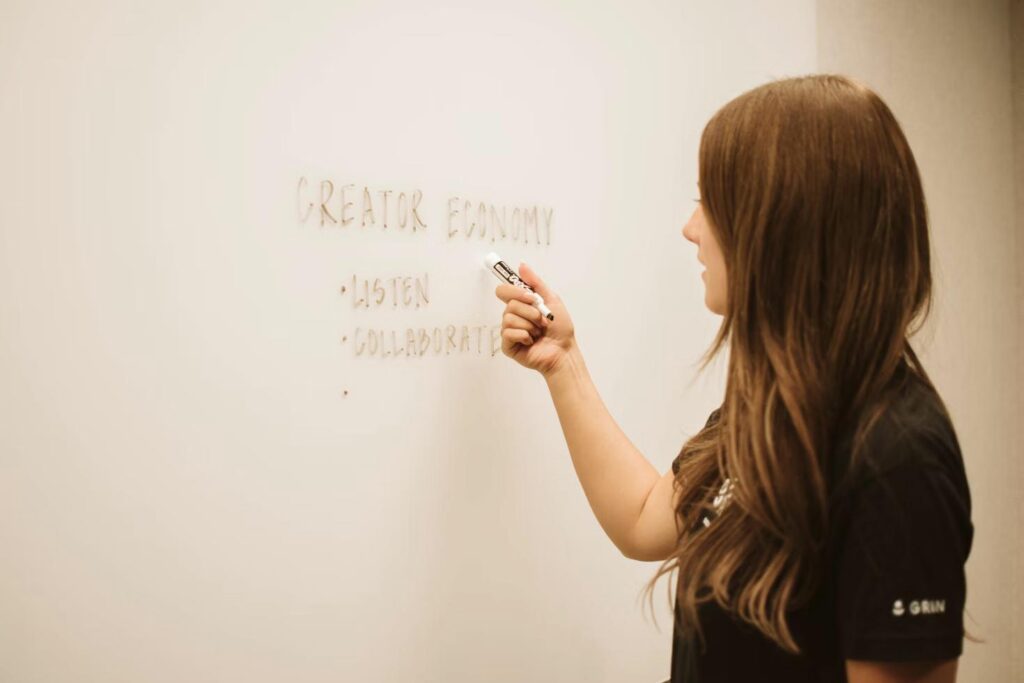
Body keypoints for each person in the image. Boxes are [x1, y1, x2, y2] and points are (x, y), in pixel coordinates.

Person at [492, 74, 973, 683]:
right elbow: (645, 519)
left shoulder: (897, 458)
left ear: (783, 224)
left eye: (709, 202)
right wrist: (564, 363)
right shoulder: (776, 406)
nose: (691, 228)